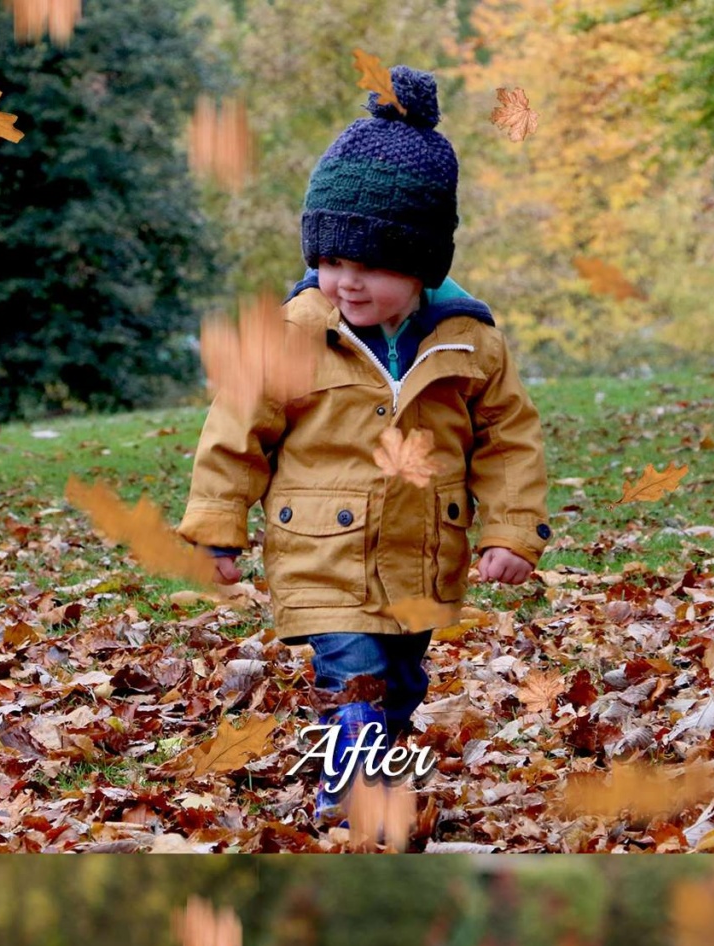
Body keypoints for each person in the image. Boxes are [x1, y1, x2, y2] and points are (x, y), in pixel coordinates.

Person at [176, 65, 551, 820]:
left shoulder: (469, 342)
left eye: (371, 265)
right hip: (321, 551)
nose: (346, 281)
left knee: (403, 685)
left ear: (421, 265)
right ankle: (349, 798)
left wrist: (512, 530)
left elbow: (508, 439)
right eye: (331, 259)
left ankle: (374, 771)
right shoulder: (294, 335)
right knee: (355, 678)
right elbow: (235, 429)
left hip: (421, 558)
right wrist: (217, 527)